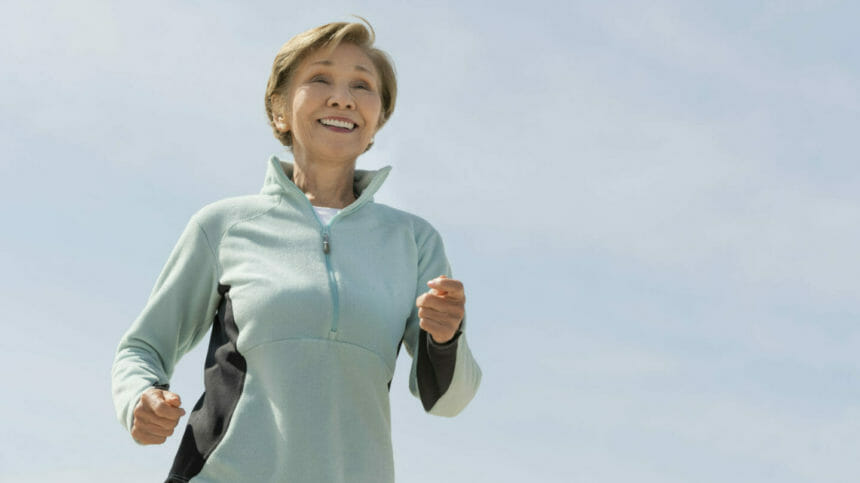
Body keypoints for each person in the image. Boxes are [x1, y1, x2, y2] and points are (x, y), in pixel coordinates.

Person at [111, 19, 482, 483]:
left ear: (376, 122)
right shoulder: (224, 226)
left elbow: (450, 400)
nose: (342, 96)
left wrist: (446, 339)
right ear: (280, 111)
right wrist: (140, 398)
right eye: (320, 78)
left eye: (362, 85)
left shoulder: (413, 241)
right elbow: (143, 347)